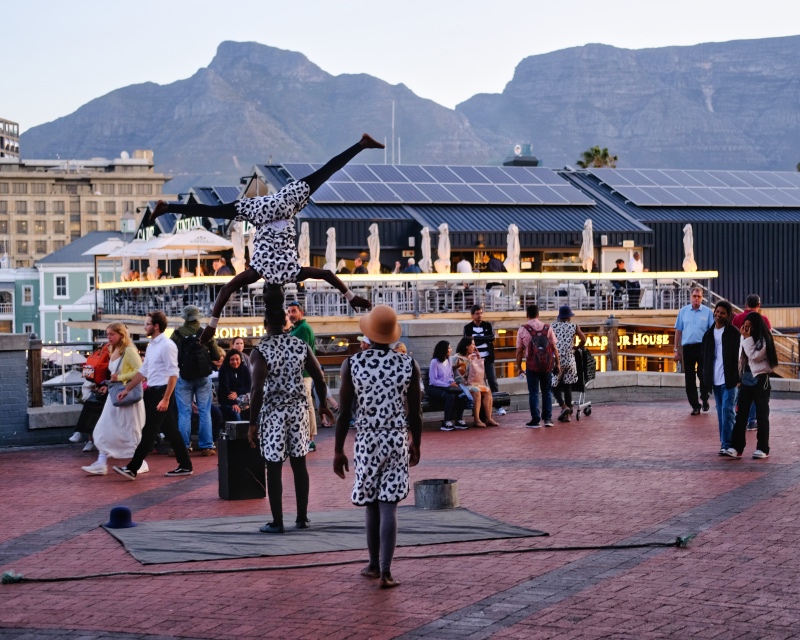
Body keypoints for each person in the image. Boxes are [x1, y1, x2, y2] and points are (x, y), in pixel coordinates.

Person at [148, 134, 382, 343]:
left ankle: (361, 144)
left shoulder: (292, 272)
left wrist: (351, 297)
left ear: (280, 292)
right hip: (261, 209)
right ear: (266, 289)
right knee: (215, 211)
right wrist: (212, 324)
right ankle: (167, 207)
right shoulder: (257, 272)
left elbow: (328, 274)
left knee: (325, 173)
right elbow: (225, 291)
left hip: (282, 205)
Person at [333, 305, 422, 589]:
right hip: (396, 439)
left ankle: (373, 565)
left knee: (371, 505)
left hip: (367, 440)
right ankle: (386, 571)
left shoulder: (353, 363)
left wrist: (337, 450)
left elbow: (344, 412)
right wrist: (416, 443)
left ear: (368, 333)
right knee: (389, 507)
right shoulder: (409, 364)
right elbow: (416, 413)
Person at [247, 285, 333, 533]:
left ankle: (277, 521)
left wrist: (252, 424)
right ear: (286, 323)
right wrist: (323, 405)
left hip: (274, 413)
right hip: (298, 410)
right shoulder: (300, 346)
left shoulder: (260, 351)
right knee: (299, 464)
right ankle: (303, 517)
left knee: (273, 466)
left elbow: (256, 390)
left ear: (265, 325)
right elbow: (319, 377)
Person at [113, 311, 193, 480]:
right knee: (171, 431)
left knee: (149, 430)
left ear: (156, 326)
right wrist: (127, 389)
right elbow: (144, 370)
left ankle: (132, 468)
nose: (145, 327)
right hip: (153, 391)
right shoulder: (152, 346)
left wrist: (165, 398)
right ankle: (185, 465)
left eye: (147, 324)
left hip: (163, 392)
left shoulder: (167, 345)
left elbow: (173, 374)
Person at [81, 323, 146, 476]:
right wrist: (109, 383)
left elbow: (141, 371)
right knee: (104, 427)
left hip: (127, 395)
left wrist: (119, 378)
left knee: (131, 430)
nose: (108, 337)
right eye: (107, 334)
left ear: (121, 335)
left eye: (112, 334)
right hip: (115, 395)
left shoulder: (129, 351)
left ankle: (140, 462)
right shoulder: (113, 349)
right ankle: (101, 462)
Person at [171, 305, 223, 456]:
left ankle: (184, 446)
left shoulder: (177, 334)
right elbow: (216, 356)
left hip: (184, 377)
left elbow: (171, 356)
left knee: (184, 413)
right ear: (197, 317)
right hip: (203, 377)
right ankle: (207, 446)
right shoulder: (205, 333)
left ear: (185, 318)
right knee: (204, 411)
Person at [728, 312, 778, 460]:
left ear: (756, 327)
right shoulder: (745, 338)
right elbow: (741, 359)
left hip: (761, 380)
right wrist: (739, 377)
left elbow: (754, 356)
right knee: (741, 415)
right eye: (745, 326)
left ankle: (763, 448)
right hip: (746, 380)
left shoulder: (764, 339)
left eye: (749, 327)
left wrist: (747, 338)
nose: (746, 329)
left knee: (762, 416)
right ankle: (737, 447)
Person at [701, 301, 740, 456]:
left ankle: (728, 444)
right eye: (717, 311)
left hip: (730, 379)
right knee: (720, 413)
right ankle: (724, 444)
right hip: (715, 380)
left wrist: (739, 377)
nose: (718, 314)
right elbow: (705, 358)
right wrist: (705, 378)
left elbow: (740, 357)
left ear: (728, 315)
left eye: (722, 312)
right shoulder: (708, 334)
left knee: (728, 410)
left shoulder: (734, 333)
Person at [516, 304, 560, 428]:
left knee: (534, 393)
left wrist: (519, 367)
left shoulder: (523, 329)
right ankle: (548, 419)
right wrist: (558, 364)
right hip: (547, 365)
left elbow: (519, 351)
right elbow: (554, 348)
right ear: (538, 315)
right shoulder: (547, 327)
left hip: (531, 366)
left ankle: (535, 420)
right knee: (547, 392)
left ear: (527, 315)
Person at [732, 294, 771, 431]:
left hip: (740, 359)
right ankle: (752, 419)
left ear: (745, 304)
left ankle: (739, 414)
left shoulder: (737, 318)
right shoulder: (763, 319)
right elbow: (769, 340)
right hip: (756, 362)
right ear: (758, 305)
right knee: (756, 392)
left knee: (741, 389)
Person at [675, 287, 715, 415]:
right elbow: (678, 330)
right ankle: (695, 405)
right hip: (687, 348)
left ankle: (704, 398)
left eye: (699, 296)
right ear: (690, 297)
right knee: (689, 378)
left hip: (702, 347)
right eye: (694, 296)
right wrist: (676, 350)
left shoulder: (708, 312)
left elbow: (712, 331)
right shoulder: (683, 311)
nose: (696, 299)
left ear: (702, 298)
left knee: (703, 374)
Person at [287, 301, 318, 453]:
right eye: (289, 312)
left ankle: (310, 439)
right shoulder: (297, 328)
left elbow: (302, 353)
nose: (291, 314)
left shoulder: (303, 329)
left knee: (307, 406)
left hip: (303, 374)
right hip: (299, 374)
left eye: (293, 311)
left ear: (301, 312)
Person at [550, 306, 586, 423]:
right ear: (569, 317)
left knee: (554, 386)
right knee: (567, 386)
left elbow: (547, 341)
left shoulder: (553, 326)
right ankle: (568, 415)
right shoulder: (574, 326)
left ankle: (563, 407)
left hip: (557, 361)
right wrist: (576, 347)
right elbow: (584, 339)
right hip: (570, 360)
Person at [452, 337, 497, 428]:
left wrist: (478, 359)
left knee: (487, 390)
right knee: (476, 391)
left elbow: (477, 373)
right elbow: (453, 374)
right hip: (462, 384)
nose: (474, 346)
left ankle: (488, 418)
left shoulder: (472, 357)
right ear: (466, 346)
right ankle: (477, 420)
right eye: (472, 344)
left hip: (472, 383)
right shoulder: (457, 358)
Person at [428, 340, 468, 431]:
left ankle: (459, 420)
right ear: (443, 349)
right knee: (450, 397)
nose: (451, 349)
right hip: (435, 388)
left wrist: (452, 383)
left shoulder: (449, 360)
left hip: (447, 386)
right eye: (449, 348)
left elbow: (450, 375)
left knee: (462, 396)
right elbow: (434, 380)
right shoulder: (434, 362)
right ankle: (446, 421)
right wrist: (447, 384)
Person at [463, 304, 498, 393]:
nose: (480, 315)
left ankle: (498, 405)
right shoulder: (467, 327)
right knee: (478, 382)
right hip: (474, 360)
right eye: (477, 313)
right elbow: (468, 341)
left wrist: (476, 338)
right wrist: (485, 339)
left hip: (487, 358)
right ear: (472, 315)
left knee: (492, 381)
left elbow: (492, 338)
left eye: (481, 313)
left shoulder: (488, 325)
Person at [218, 349, 252, 423]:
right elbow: (225, 389)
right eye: (232, 359)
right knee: (236, 414)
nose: (235, 362)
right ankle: (239, 433)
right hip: (227, 401)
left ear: (241, 359)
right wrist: (233, 403)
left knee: (255, 413)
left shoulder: (244, 369)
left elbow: (249, 386)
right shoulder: (224, 369)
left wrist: (237, 392)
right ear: (228, 360)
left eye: (237, 359)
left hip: (244, 400)